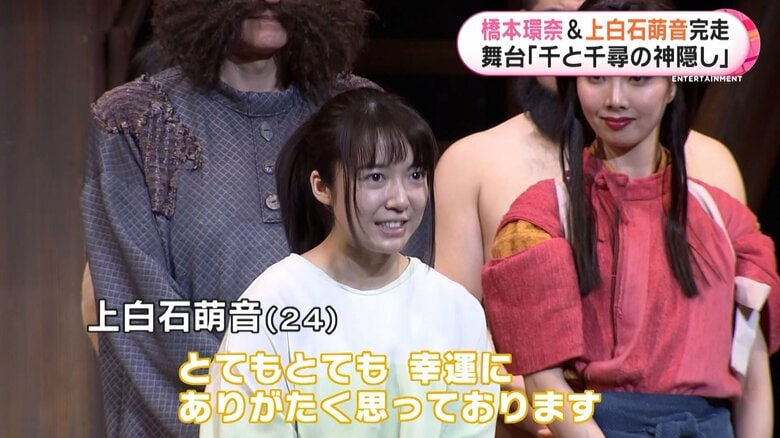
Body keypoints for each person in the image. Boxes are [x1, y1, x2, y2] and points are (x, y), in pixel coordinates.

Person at [482, 0, 779, 436]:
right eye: (596, 76)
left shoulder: (725, 218)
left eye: (638, 76)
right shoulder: (540, 218)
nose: (615, 98)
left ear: (672, 84)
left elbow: (753, 378)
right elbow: (544, 383)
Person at [81, 0, 376, 436]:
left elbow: (399, 285)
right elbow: (139, 309)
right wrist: (257, 412)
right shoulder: (134, 121)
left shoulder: (363, 113)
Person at [200, 88, 498, 437]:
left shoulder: (457, 309)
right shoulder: (273, 304)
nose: (400, 199)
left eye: (415, 175)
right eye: (376, 177)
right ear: (321, 187)